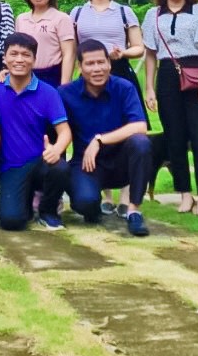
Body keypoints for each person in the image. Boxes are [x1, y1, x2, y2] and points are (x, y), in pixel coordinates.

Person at [70, 0, 149, 216]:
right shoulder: (77, 13)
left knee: (127, 131)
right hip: (88, 74)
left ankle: (127, 195)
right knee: (95, 128)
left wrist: (122, 52)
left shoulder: (124, 11)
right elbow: (71, 51)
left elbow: (140, 47)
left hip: (118, 72)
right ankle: (105, 193)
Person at [142, 0, 198, 217]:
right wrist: (149, 88)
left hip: (196, 74)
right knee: (174, 138)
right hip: (167, 77)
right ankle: (185, 194)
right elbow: (151, 55)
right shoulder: (153, 16)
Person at [60, 40, 153, 237]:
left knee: (141, 143)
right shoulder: (66, 93)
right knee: (85, 203)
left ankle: (134, 210)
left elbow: (140, 126)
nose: (97, 69)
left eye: (102, 63)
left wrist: (100, 140)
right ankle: (92, 206)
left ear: (109, 64)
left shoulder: (124, 87)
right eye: (90, 64)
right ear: (79, 67)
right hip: (86, 164)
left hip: (121, 162)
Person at [0, 33, 71, 231]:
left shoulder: (48, 92)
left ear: (34, 59)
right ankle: (25, 202)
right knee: (12, 221)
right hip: (11, 167)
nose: (19, 60)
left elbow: (65, 132)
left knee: (60, 168)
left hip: (39, 161)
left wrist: (57, 149)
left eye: (25, 55)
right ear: (4, 58)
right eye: (13, 54)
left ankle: (48, 211)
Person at [15, 0, 75, 88]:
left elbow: (69, 54)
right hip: (25, 77)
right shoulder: (21, 19)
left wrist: (64, 86)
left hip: (52, 77)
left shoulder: (62, 18)